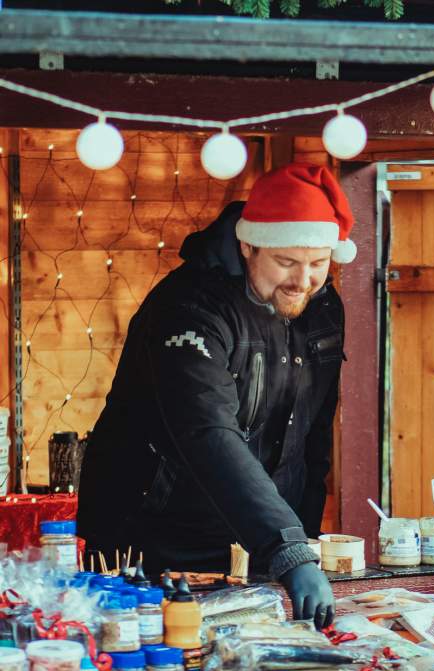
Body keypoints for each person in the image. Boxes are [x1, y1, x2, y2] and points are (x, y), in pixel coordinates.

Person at [78, 163, 359, 628]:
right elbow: (208, 433)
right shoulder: (188, 309)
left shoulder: (322, 305)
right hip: (156, 535)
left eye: (318, 263)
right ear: (248, 245)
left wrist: (301, 536)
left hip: (262, 540)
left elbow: (313, 434)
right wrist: (288, 546)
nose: (304, 280)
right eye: (287, 262)